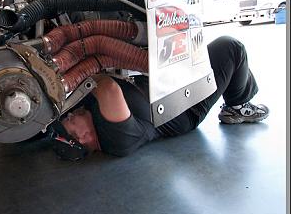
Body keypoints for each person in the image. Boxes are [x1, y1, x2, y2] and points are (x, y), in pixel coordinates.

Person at [51, 36, 270, 160]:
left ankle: (240, 89)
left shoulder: (86, 111)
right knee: (231, 48)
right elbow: (108, 87)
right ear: (82, 138)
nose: (69, 115)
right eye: (70, 123)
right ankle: (238, 106)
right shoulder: (115, 140)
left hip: (167, 84)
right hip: (186, 106)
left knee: (205, 50)